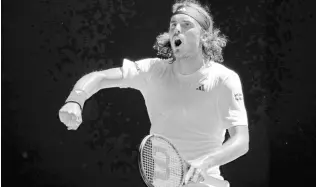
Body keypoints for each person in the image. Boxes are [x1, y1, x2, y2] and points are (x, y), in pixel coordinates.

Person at [59, 0, 249, 186]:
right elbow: (99, 78)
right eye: (173, 24)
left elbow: (241, 141)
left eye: (186, 24)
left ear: (204, 36)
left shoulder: (223, 79)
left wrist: (205, 162)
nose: (177, 29)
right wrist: (75, 100)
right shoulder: (153, 71)